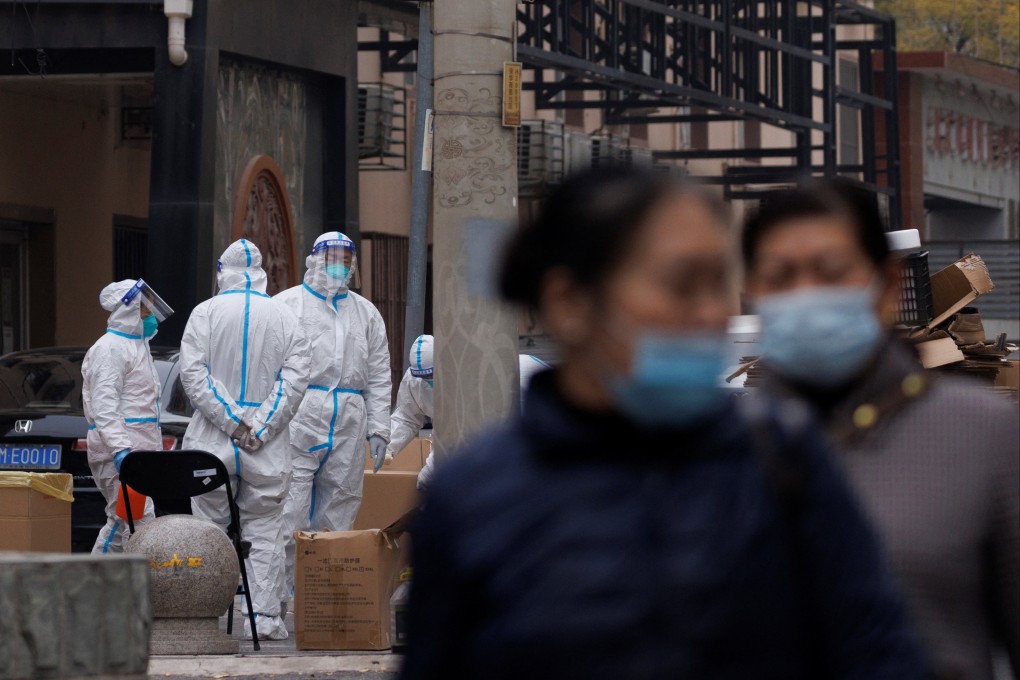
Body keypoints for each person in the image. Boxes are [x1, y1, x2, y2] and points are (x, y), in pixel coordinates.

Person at [398, 168, 928, 679]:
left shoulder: (782, 461)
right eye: (681, 285)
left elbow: (877, 652)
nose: (710, 313)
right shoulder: (474, 498)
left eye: (719, 282)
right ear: (569, 303)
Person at [742, 180, 1019, 680]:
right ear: (752, 290)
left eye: (831, 272)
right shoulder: (713, 445)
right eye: (781, 276)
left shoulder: (984, 435)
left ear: (887, 284)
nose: (807, 296)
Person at [180, 239, 310, 641]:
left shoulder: (205, 312)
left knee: (209, 528)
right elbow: (296, 378)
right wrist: (261, 426)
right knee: (266, 530)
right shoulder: (286, 317)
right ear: (261, 274)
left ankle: (206, 614)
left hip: (212, 438)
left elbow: (193, 374)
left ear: (224, 271)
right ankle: (264, 617)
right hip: (266, 448)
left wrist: (233, 422)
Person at [275, 232, 391, 603]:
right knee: (288, 508)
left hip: (350, 417)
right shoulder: (287, 305)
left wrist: (379, 427)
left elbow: (379, 373)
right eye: (332, 257)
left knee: (340, 506)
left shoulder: (366, 312)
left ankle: (322, 597)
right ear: (314, 260)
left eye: (346, 257)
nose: (339, 264)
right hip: (299, 412)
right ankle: (275, 600)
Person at [385, 336, 552, 489]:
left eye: (433, 375)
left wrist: (434, 467)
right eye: (424, 377)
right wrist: (388, 444)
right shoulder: (415, 381)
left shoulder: (478, 376)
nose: (429, 382)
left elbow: (466, 431)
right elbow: (406, 417)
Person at [82, 278, 173, 555]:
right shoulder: (110, 348)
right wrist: (121, 451)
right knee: (133, 519)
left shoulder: (136, 346)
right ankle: (99, 586)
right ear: (128, 310)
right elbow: (105, 407)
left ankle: (111, 591)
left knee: (127, 521)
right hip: (120, 453)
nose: (150, 316)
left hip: (137, 454)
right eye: (145, 310)